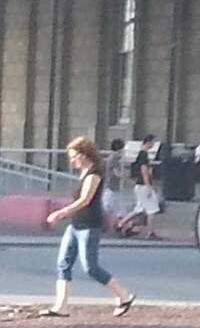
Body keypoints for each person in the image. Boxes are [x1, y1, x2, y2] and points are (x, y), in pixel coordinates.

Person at [41, 136, 135, 318]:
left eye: (73, 156)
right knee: (63, 264)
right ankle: (61, 307)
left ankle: (124, 296)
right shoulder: (84, 172)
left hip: (89, 225)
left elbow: (85, 200)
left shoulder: (94, 173)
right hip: (75, 224)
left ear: (84, 154)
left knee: (91, 268)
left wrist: (61, 213)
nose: (71, 160)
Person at [117, 134, 161, 239]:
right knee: (152, 209)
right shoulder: (144, 155)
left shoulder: (141, 154)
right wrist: (148, 185)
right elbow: (144, 170)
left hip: (139, 185)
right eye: (153, 142)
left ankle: (121, 224)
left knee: (139, 209)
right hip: (143, 185)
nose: (154, 144)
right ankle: (150, 232)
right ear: (149, 142)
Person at [101, 138, 127, 234]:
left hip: (112, 186)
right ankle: (107, 226)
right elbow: (116, 173)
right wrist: (126, 177)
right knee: (109, 207)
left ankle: (118, 226)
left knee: (117, 208)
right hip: (112, 187)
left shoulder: (112, 157)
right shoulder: (114, 158)